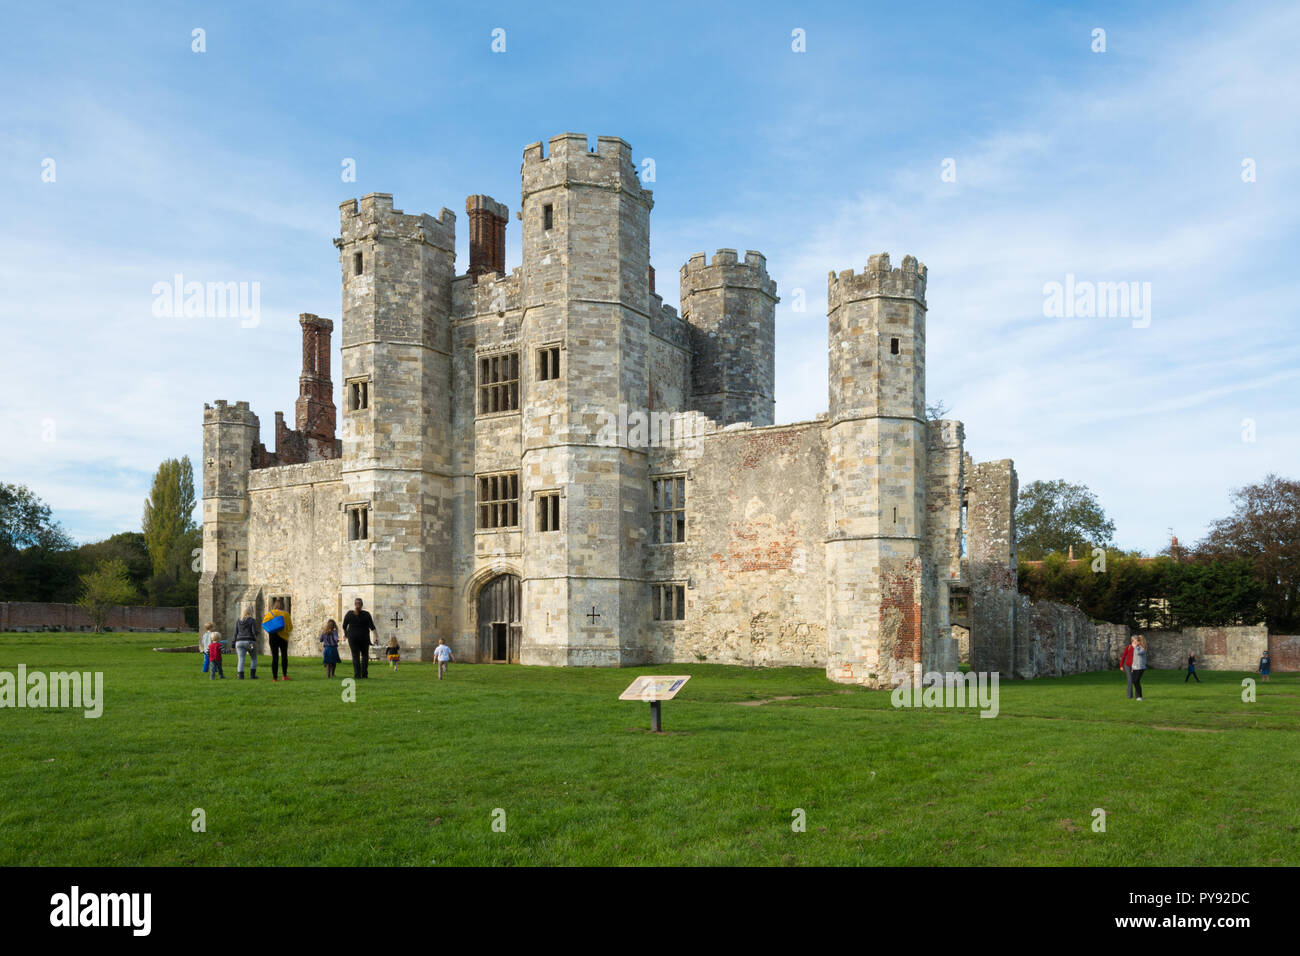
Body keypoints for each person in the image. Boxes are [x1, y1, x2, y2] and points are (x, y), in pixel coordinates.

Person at [341, 598, 378, 679]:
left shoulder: (349, 614)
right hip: (364, 637)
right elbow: (372, 627)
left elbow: (344, 626)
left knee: (355, 657)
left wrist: (345, 634)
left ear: (355, 604)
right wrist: (376, 636)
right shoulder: (366, 614)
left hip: (353, 637)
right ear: (362, 605)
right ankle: (364, 675)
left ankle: (357, 675)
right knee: (365, 656)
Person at [265, 597, 292, 682]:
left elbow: (264, 624)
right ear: (283, 606)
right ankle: (284, 675)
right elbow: (290, 627)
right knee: (284, 656)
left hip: (272, 637)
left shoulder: (269, 614)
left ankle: (275, 678)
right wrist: (284, 630)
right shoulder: (286, 614)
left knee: (275, 657)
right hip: (283, 637)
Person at [233, 606, 260, 679]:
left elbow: (235, 632)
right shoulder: (252, 620)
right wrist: (258, 633)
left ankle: (241, 676)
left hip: (239, 643)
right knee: (253, 658)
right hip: (250, 642)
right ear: (251, 612)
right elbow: (254, 632)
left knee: (241, 659)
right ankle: (252, 675)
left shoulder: (238, 620)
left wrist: (233, 644)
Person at [1131, 635, 1148, 701]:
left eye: (1137, 640)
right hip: (1135, 667)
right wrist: (1132, 667)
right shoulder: (1137, 647)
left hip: (1140, 667)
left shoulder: (1143, 648)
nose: (1135, 642)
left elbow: (1138, 653)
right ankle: (1138, 696)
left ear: (1141, 641)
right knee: (1134, 681)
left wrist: (1135, 647)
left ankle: (1140, 696)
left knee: (1136, 681)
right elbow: (1134, 658)